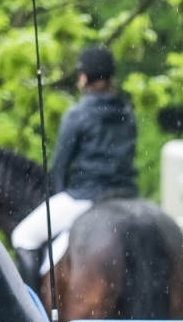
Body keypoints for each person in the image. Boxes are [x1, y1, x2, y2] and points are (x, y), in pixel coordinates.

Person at [10, 45, 139, 281]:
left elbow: (60, 166)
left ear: (85, 77)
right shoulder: (128, 112)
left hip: (86, 196)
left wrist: (58, 193)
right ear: (110, 78)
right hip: (126, 196)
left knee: (23, 236)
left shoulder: (77, 115)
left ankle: (28, 313)